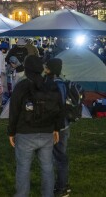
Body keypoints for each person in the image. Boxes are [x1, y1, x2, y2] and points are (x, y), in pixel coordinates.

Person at [8, 55, 65, 197]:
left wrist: (11, 132)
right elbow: (59, 109)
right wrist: (56, 128)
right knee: (47, 168)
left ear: (26, 69)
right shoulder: (51, 85)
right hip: (46, 132)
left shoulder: (21, 86)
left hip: (25, 133)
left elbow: (14, 111)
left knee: (23, 168)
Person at [44, 59, 71, 197]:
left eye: (46, 66)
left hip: (58, 126)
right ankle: (63, 184)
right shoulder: (62, 82)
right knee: (60, 156)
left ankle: (61, 188)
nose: (44, 68)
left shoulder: (55, 84)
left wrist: (55, 128)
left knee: (59, 157)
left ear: (50, 69)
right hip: (63, 124)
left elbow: (58, 107)